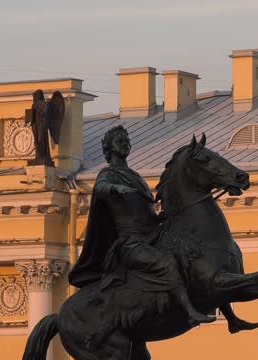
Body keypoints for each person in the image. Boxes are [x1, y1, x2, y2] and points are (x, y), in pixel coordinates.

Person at [68, 126, 213, 345]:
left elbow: (147, 211)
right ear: (109, 148)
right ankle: (190, 311)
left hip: (150, 236)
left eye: (126, 139)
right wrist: (115, 189)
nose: (124, 142)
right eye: (119, 140)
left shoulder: (135, 176)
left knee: (187, 253)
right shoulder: (108, 174)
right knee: (166, 262)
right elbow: (100, 189)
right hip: (130, 244)